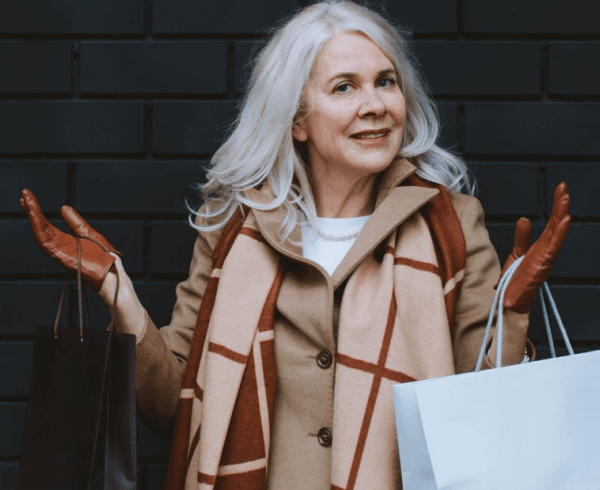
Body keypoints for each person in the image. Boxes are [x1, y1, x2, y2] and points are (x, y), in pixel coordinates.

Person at [19, 1, 571, 489]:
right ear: (298, 120)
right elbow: (174, 408)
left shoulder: (450, 223)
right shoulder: (233, 228)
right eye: (344, 87)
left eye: (386, 81)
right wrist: (122, 299)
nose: (376, 103)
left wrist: (513, 311)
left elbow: (481, 412)